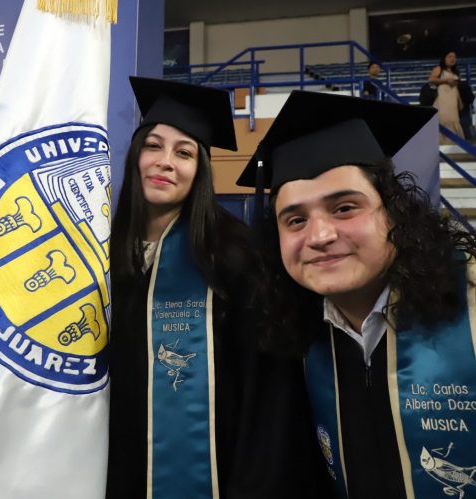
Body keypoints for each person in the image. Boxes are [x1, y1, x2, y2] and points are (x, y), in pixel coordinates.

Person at [237, 90, 476, 498]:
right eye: (295, 220)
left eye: (345, 208)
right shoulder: (292, 336)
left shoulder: (468, 303)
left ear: (394, 212)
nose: (320, 235)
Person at [106, 77, 330, 498]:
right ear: (135, 155)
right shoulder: (105, 251)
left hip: (217, 470)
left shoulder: (233, 254)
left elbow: (267, 390)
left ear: (201, 170)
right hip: (118, 466)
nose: (165, 162)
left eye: (184, 152)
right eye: (153, 146)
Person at [429, 51, 464, 143]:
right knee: (444, 119)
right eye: (449, 56)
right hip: (443, 98)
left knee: (454, 119)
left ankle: (454, 144)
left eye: (454, 57)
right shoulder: (439, 69)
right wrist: (446, 80)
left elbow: (456, 88)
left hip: (453, 100)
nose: (452, 59)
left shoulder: (456, 72)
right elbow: (431, 79)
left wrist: (460, 101)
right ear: (444, 58)